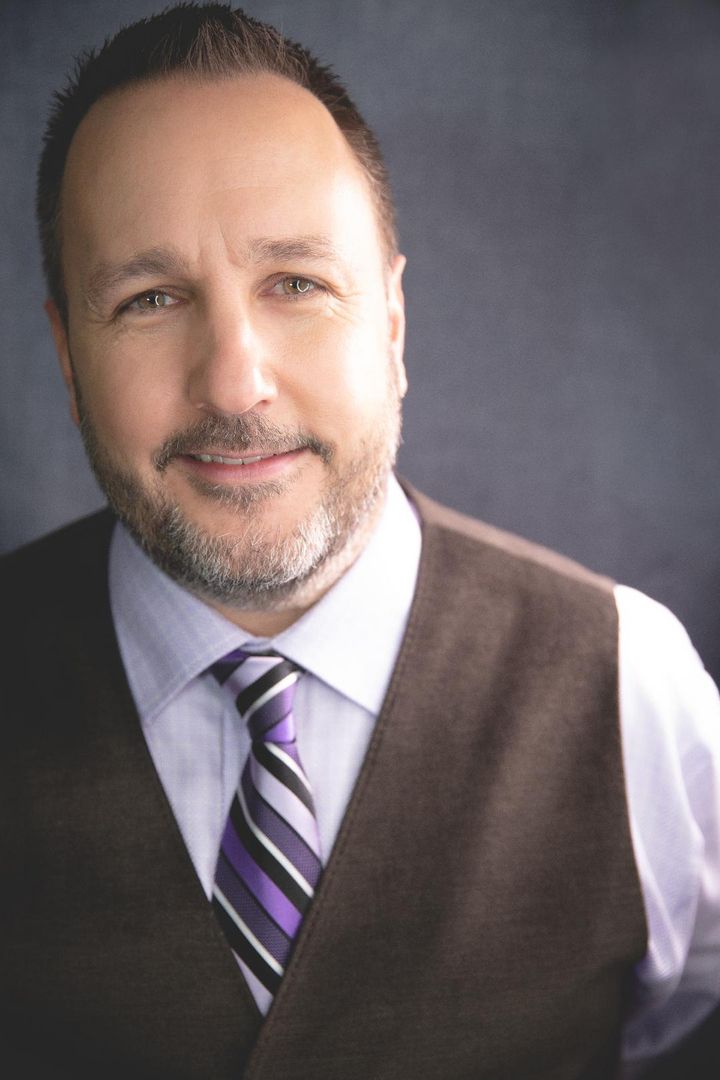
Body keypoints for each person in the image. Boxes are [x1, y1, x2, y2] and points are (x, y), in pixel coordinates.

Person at [2, 5, 719, 1078]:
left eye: (296, 283)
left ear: (390, 321)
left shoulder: (631, 685)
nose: (234, 383)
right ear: (67, 358)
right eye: (150, 299)